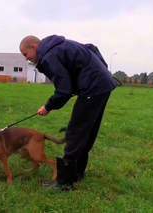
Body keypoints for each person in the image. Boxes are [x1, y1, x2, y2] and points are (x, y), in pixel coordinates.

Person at [19, 35, 117, 191]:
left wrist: (48, 107)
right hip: (102, 84)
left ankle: (64, 183)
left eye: (25, 54)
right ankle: (76, 174)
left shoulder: (49, 56)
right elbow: (91, 48)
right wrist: (101, 72)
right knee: (87, 131)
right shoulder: (59, 46)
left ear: (34, 47)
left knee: (75, 132)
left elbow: (64, 90)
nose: (27, 59)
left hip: (92, 87)